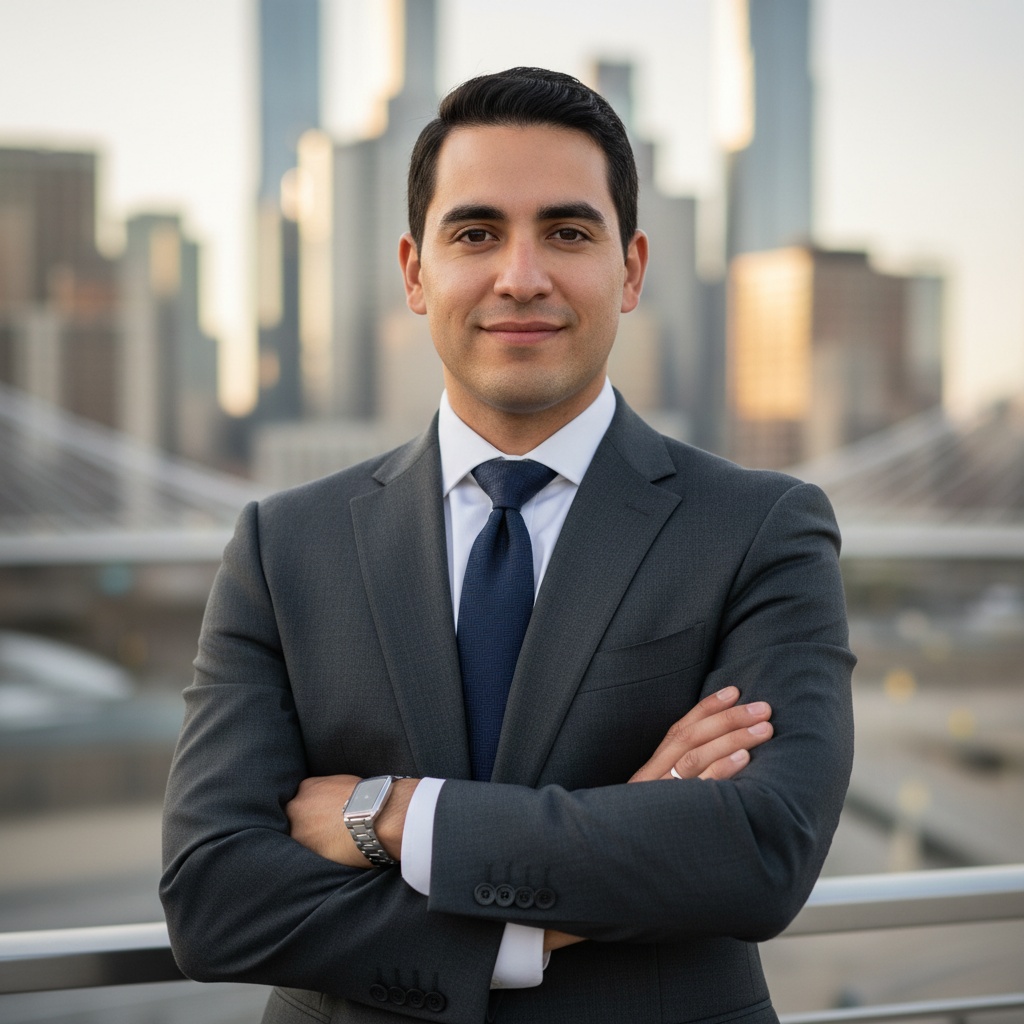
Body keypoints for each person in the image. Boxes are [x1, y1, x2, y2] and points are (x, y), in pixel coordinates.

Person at [161, 67, 855, 1024]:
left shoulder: (761, 529)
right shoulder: (284, 547)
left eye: (568, 233)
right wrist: (551, 912)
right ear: (415, 271)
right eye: (476, 232)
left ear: (633, 268)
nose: (520, 276)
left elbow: (761, 852)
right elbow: (213, 896)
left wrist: (394, 814)